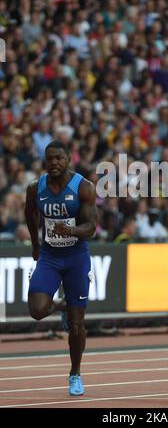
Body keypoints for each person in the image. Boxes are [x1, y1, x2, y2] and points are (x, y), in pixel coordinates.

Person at [25, 140, 97, 396]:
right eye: (50, 159)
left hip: (76, 257)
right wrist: (35, 245)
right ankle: (64, 306)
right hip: (50, 256)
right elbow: (29, 213)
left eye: (59, 158)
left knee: (77, 325)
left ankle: (75, 373)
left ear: (69, 159)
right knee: (37, 310)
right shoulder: (36, 188)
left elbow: (91, 227)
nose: (54, 163)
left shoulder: (84, 188)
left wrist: (72, 230)